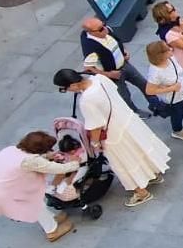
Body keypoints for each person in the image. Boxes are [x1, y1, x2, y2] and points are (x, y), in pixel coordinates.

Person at [53, 69, 168, 207]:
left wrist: (95, 143)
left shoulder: (86, 101)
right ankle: (152, 175)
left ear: (72, 85)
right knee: (138, 150)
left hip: (114, 134)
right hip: (127, 121)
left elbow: (95, 126)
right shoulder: (99, 79)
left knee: (123, 163)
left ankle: (141, 192)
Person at [0, 131, 77, 242]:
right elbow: (56, 168)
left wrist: (48, 157)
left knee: (37, 203)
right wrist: (75, 163)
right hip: (4, 193)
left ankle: (52, 220)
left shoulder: (11, 150)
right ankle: (52, 231)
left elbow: (31, 161)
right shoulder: (30, 161)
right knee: (36, 205)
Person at [80, 16, 157, 117]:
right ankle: (134, 112)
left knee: (143, 84)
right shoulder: (90, 47)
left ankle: (155, 105)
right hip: (113, 74)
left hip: (124, 64)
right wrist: (109, 74)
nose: (105, 29)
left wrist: (124, 51)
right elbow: (88, 68)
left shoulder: (106, 30)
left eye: (103, 25)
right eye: (100, 29)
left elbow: (117, 40)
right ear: (91, 32)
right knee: (125, 95)